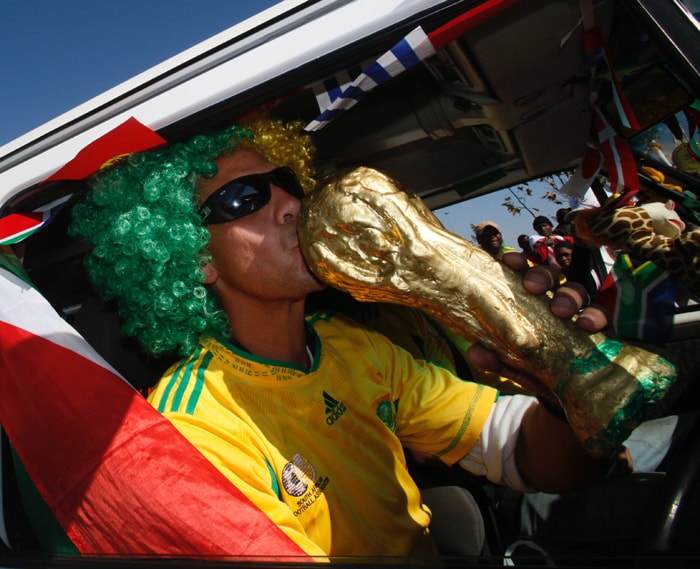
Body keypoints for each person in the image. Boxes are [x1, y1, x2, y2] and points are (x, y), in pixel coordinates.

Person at [69, 115, 626, 557]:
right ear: (193, 259)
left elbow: (526, 454)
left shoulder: (352, 346)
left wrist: (556, 380)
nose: (290, 206)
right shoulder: (195, 432)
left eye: (285, 183)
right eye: (245, 198)